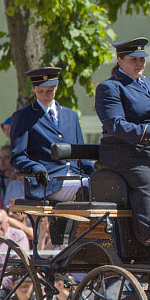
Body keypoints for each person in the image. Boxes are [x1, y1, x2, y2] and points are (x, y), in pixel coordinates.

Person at [94, 37, 150, 253]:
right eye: (133, 59)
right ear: (120, 60)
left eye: (142, 59)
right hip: (126, 152)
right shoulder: (110, 88)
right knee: (149, 180)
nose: (140, 63)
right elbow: (116, 124)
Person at [10, 67, 94, 201]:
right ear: (33, 89)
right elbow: (17, 157)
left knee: (108, 184)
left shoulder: (70, 115)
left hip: (77, 176)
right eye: (40, 91)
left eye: (50, 90)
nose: (45, 95)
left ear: (57, 86)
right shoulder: (23, 117)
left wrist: (96, 174)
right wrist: (36, 167)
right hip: (48, 183)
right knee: (93, 188)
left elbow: (81, 154)